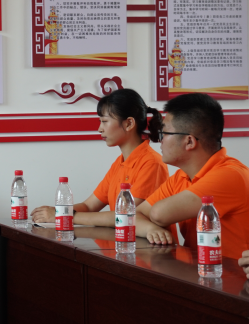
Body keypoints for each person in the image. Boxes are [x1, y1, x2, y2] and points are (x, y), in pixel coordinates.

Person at [31, 89, 174, 242]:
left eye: (104, 121)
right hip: (126, 243)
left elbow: (127, 216)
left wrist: (64, 216)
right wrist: (56, 212)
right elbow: (89, 206)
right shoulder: (120, 163)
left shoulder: (151, 163)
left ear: (129, 123)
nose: (100, 128)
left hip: (152, 248)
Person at [138, 93, 249, 257]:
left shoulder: (231, 175)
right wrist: (149, 229)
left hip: (231, 272)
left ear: (189, 141)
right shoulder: (181, 176)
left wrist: (151, 223)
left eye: (165, 133)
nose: (160, 140)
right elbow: (136, 214)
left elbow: (158, 214)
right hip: (197, 269)